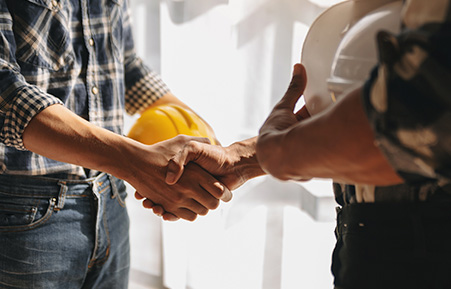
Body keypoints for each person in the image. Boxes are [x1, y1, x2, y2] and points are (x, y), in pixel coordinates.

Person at [156, 1, 451, 288]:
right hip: (380, 232)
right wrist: (243, 159)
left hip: (422, 246)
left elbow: (406, 124)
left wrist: (278, 152)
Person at [0, 0, 231, 288]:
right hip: (24, 215)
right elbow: (6, 96)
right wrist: (135, 163)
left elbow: (125, 63)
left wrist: (202, 137)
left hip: (112, 199)